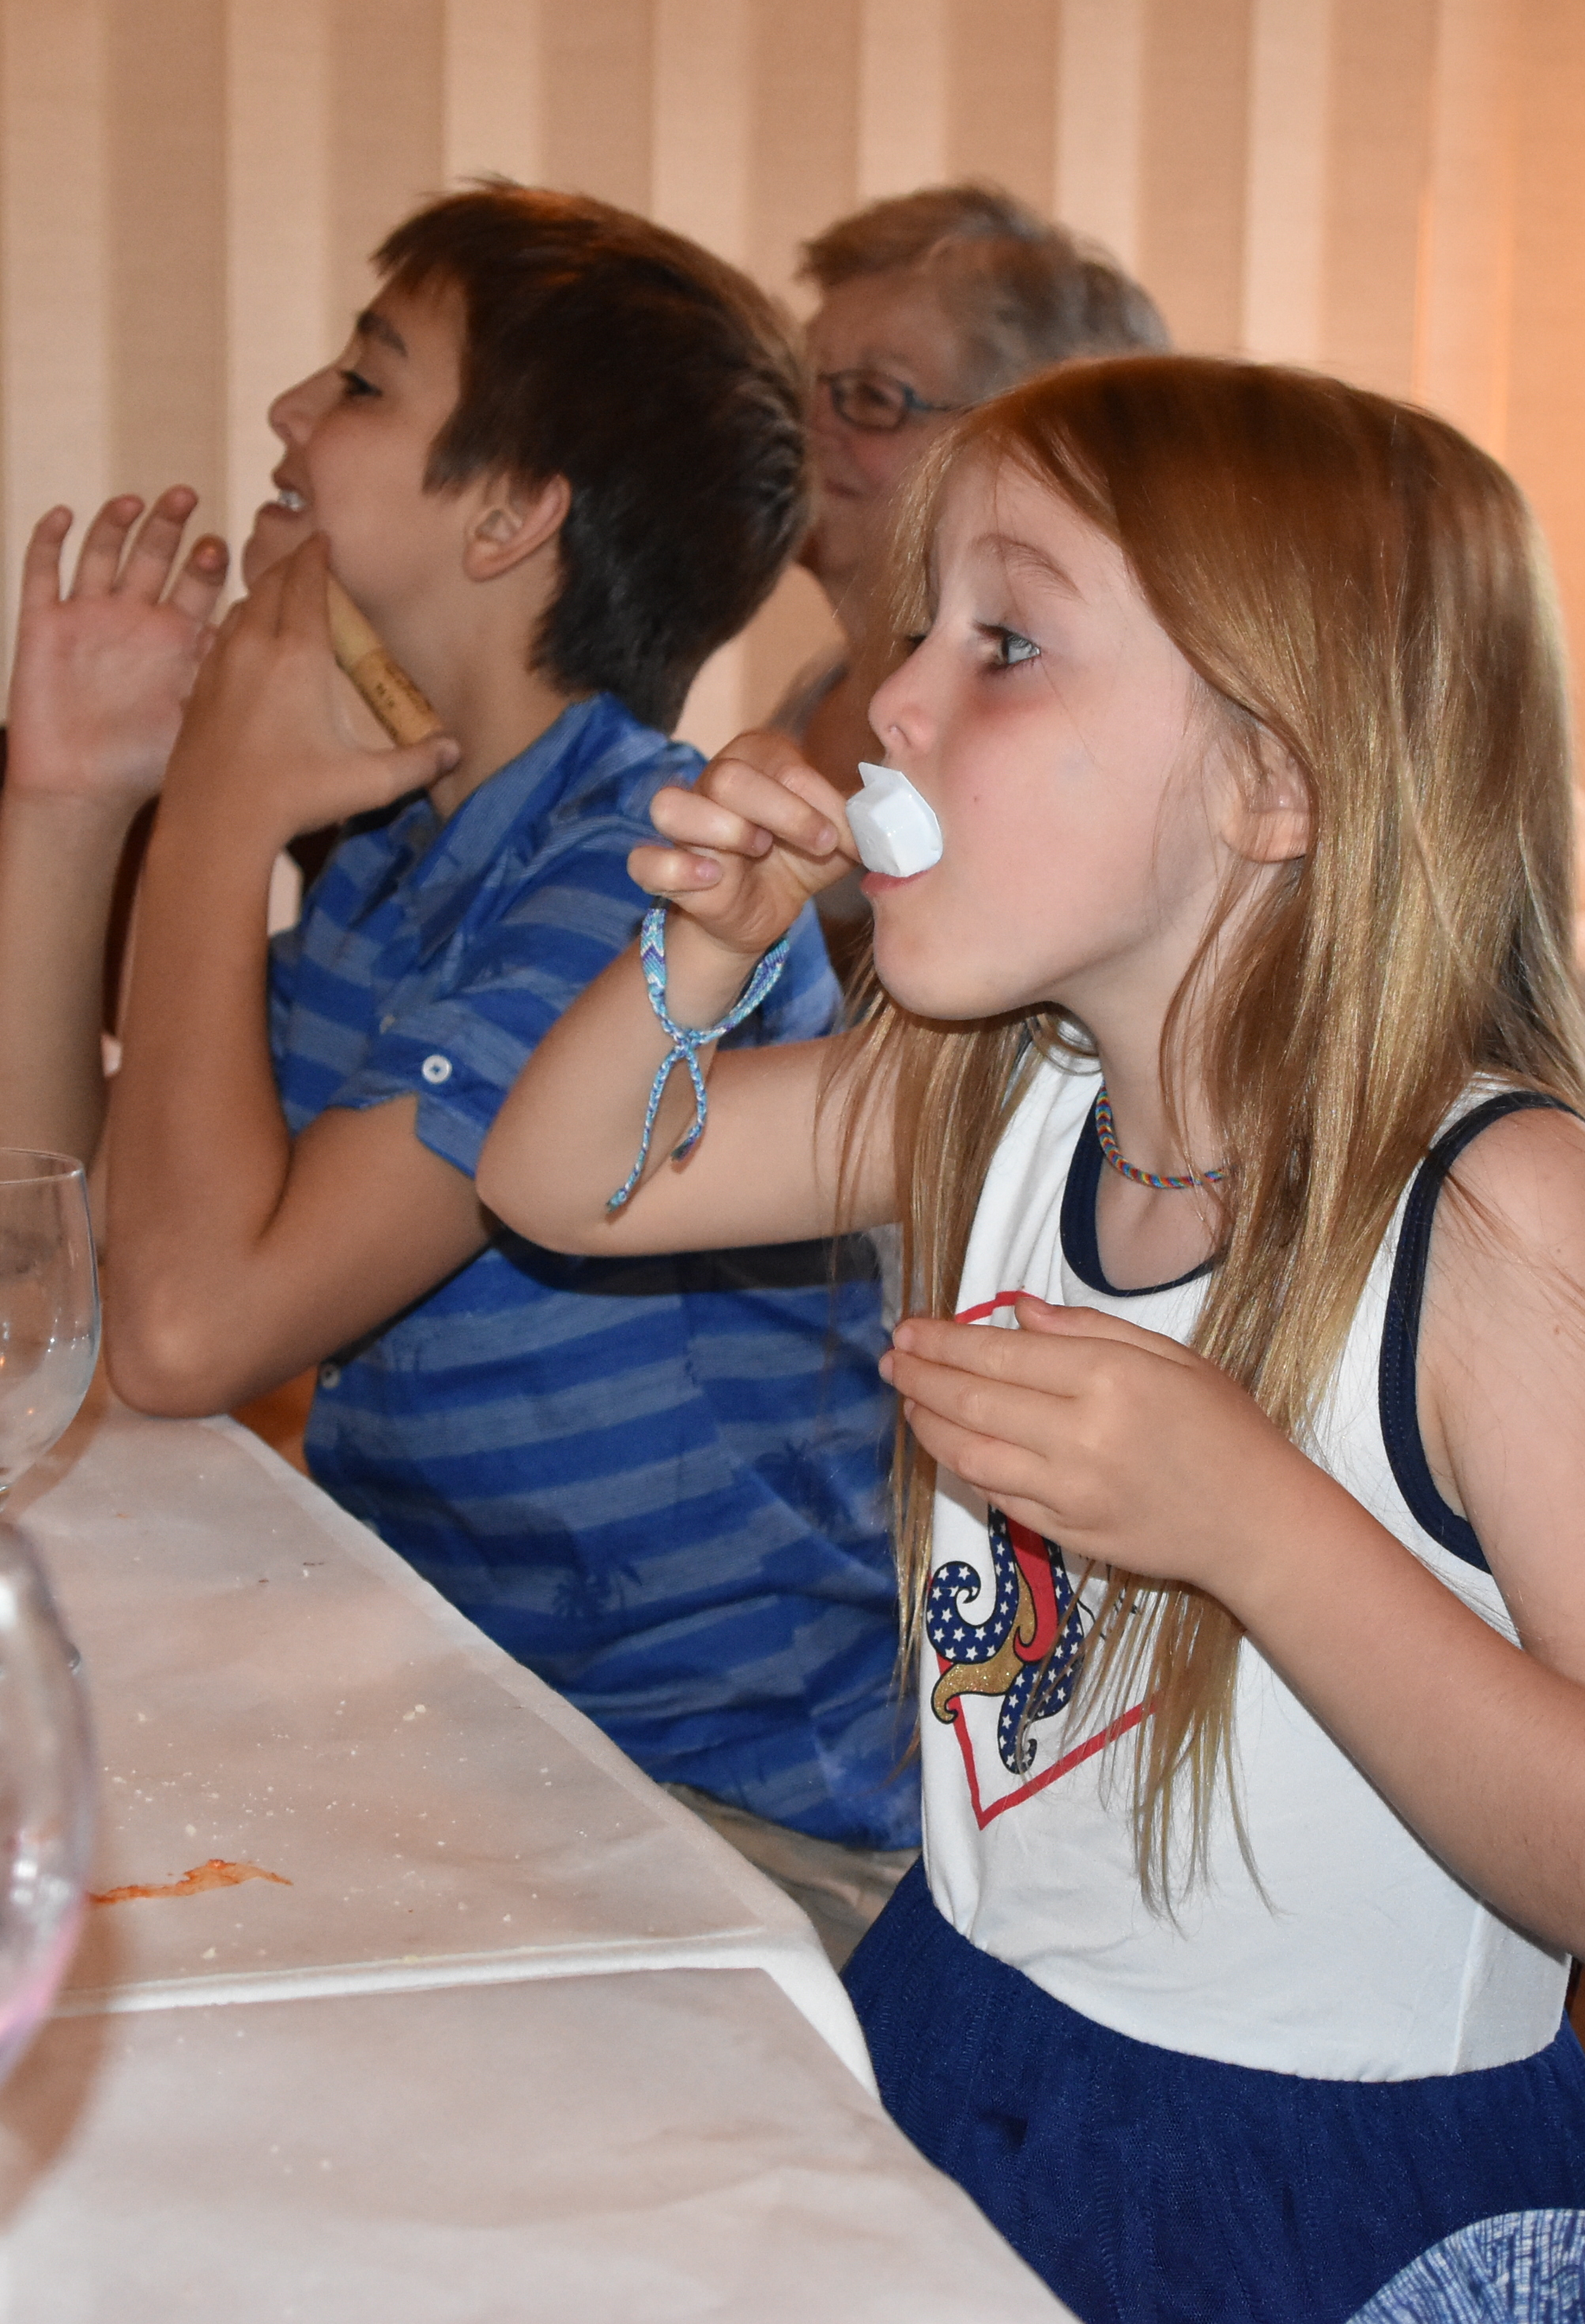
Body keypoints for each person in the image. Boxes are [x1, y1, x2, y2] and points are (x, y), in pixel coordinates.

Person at [475, 353, 1585, 2321]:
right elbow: (559, 1184)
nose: (891, 699)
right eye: (919, 630)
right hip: (962, 2041)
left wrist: (1255, 1524)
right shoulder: (996, 1100)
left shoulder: (1497, 1220)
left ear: (1274, 778)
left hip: (1321, 2192)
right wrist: (703, 954)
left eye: (1003, 644)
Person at [2, 186, 919, 1951]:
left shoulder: (642, 874)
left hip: (734, 1827)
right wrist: (70, 800)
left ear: (511, 514)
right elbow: (62, 1274)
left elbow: (188, 1336)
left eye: (362, 382)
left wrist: (212, 817)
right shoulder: (414, 859)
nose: (289, 414)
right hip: (477, 1744)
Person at [784, 181, 1168, 800]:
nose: (807, 424)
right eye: (802, 380)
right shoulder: (814, 698)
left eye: (873, 395)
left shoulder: (1071, 740)